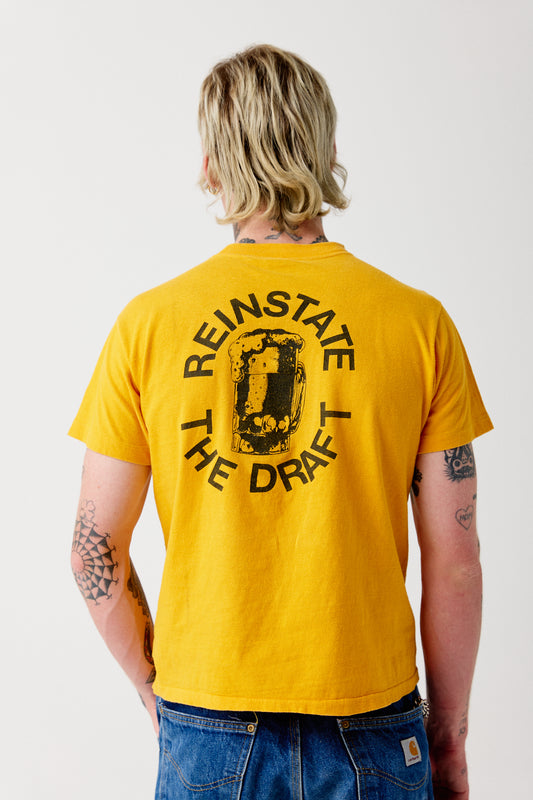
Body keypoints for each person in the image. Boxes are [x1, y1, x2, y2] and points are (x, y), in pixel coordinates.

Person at [69, 44, 493, 800]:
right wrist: (450, 738)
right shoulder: (417, 324)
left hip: (207, 717)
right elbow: (455, 557)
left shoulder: (148, 327)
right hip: (371, 723)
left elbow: (91, 548)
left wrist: (156, 695)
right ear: (326, 152)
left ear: (210, 165)